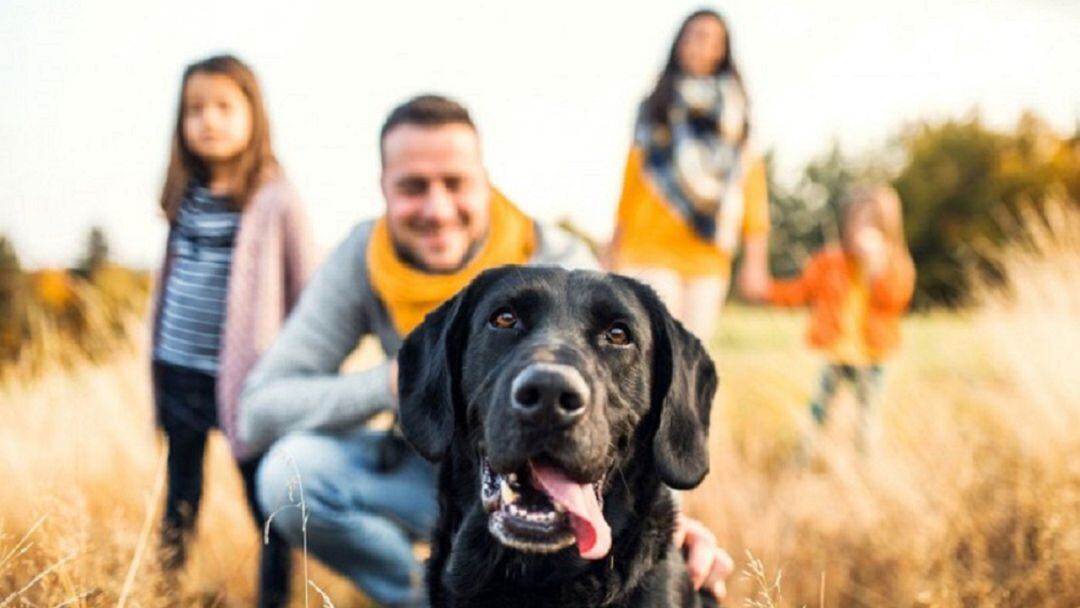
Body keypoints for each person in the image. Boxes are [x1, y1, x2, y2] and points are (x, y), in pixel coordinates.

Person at [240, 95, 735, 607]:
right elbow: (258, 410)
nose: (436, 209)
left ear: (485, 181)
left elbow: (627, 394)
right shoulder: (361, 259)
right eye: (413, 187)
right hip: (438, 465)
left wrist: (667, 522)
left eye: (454, 183)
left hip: (573, 471)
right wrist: (392, 383)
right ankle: (416, 594)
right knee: (290, 472)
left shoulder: (559, 258)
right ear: (383, 188)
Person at [149, 54, 318, 606]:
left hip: (248, 382)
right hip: (179, 369)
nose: (209, 120)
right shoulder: (183, 195)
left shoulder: (275, 197)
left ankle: (275, 598)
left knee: (266, 500)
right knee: (181, 492)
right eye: (195, 109)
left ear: (254, 115)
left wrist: (298, 374)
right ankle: (164, 588)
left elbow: (311, 292)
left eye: (224, 106)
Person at [608, 9, 770, 341]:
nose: (702, 46)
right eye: (695, 35)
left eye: (713, 40)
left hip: (708, 255)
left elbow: (752, 189)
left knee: (692, 356)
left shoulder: (738, 116)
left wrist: (756, 260)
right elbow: (632, 182)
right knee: (651, 346)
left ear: (723, 50)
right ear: (679, 43)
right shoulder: (655, 106)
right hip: (648, 247)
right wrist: (612, 247)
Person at [762, 184, 915, 450]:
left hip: (873, 356)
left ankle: (865, 462)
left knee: (867, 416)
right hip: (837, 352)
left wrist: (876, 268)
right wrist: (766, 290)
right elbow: (800, 291)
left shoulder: (896, 263)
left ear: (888, 227)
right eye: (859, 220)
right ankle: (804, 456)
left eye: (873, 222)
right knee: (818, 411)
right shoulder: (829, 262)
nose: (864, 229)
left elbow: (896, 299)